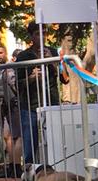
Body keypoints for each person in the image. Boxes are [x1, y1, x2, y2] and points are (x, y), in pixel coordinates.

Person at [11, 22, 63, 168]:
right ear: (31, 36)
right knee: (30, 144)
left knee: (55, 142)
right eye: (37, 34)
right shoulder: (23, 56)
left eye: (44, 33)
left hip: (51, 102)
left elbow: (65, 78)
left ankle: (54, 177)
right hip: (30, 105)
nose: (42, 37)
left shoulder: (53, 52)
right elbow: (17, 84)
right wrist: (31, 78)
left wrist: (52, 63)